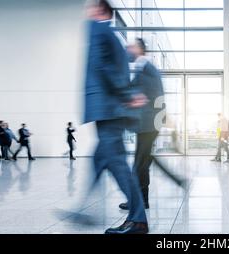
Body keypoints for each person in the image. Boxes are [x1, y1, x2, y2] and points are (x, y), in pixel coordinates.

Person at [83, 0, 149, 234]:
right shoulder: (112, 36)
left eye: (90, 7)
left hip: (108, 109)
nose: (86, 11)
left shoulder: (98, 29)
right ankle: (84, 209)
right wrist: (127, 94)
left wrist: (126, 94)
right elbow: (112, 68)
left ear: (101, 10)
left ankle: (138, 219)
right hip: (110, 109)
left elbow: (104, 68)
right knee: (101, 159)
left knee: (117, 164)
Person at [118, 38, 165, 210]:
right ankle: (142, 201)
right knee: (142, 164)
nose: (127, 49)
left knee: (140, 164)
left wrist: (132, 100)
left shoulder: (147, 68)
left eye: (130, 46)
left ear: (139, 48)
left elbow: (155, 97)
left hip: (148, 125)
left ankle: (139, 201)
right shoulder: (143, 68)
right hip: (147, 125)